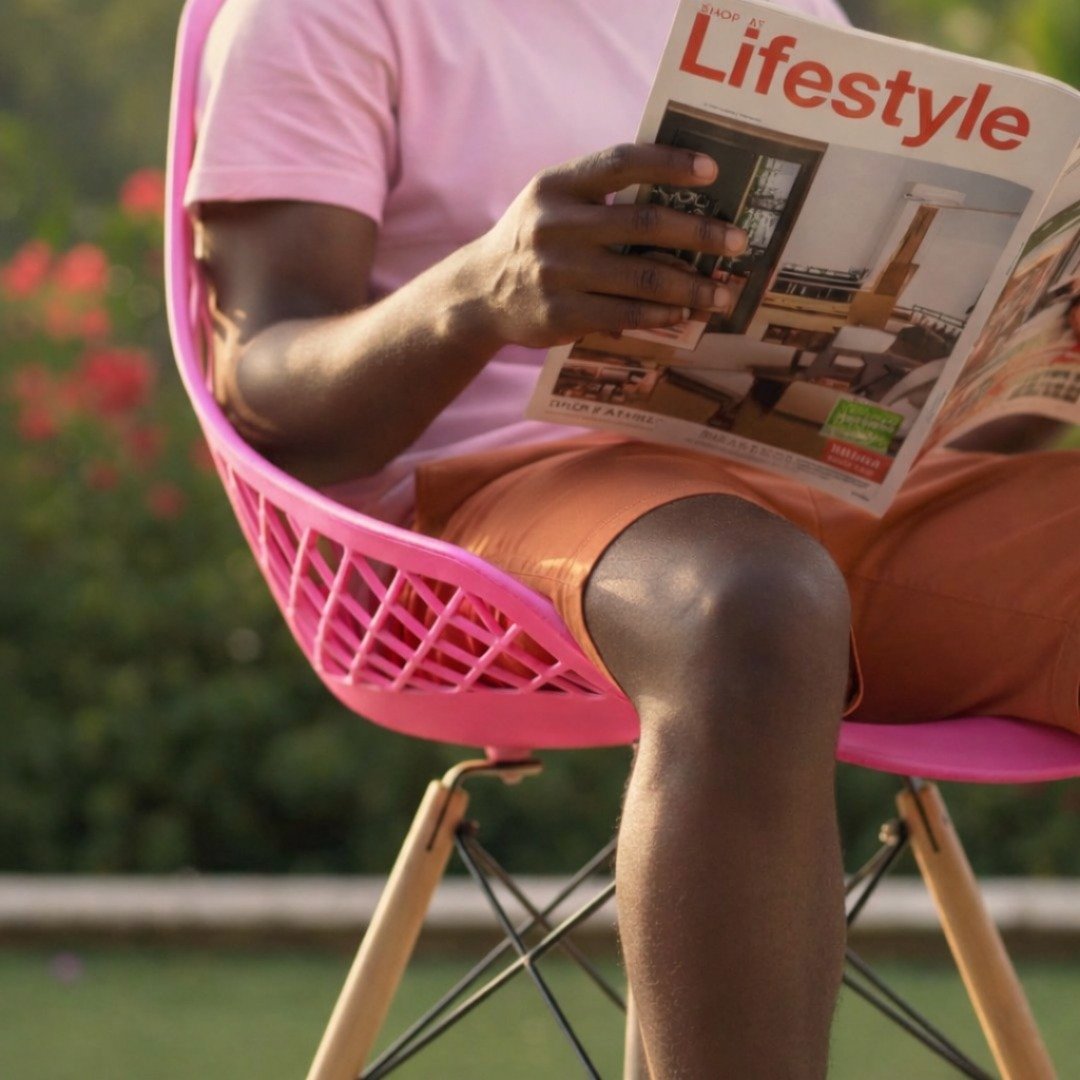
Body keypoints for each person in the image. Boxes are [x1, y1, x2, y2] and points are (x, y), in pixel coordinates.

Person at [186, 1, 1079, 1074]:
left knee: (768, 586)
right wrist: (474, 297)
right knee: (750, 607)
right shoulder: (321, 14)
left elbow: (962, 414)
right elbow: (270, 390)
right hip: (510, 495)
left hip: (845, 476)